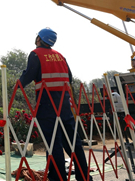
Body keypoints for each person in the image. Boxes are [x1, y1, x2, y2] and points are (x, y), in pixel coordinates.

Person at [19, 28, 91, 181]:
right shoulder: (60, 56)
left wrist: (17, 86)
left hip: (46, 105)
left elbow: (29, 75)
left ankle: (58, 178)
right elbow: (69, 78)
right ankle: (83, 177)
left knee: (53, 143)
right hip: (64, 105)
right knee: (74, 143)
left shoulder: (36, 54)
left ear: (40, 39)